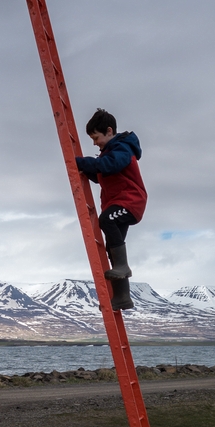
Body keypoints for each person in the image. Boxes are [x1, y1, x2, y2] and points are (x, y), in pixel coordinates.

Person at [75, 108, 147, 311]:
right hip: (118, 202)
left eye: (95, 137)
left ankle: (123, 267)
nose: (94, 143)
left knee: (106, 220)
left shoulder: (123, 148)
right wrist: (85, 170)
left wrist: (82, 162)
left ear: (109, 131)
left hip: (130, 202)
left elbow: (110, 165)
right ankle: (123, 297)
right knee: (112, 248)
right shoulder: (109, 154)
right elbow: (101, 174)